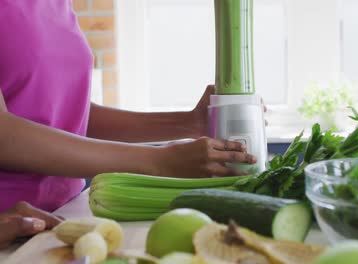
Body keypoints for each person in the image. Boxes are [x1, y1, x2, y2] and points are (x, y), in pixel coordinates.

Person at [0, 1, 260, 213]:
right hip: (9, 223)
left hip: (64, 213)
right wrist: (160, 161)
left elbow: (70, 113)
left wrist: (189, 123)